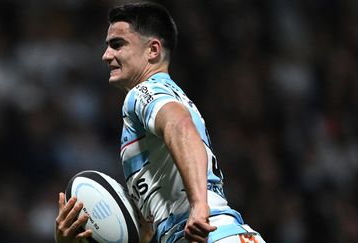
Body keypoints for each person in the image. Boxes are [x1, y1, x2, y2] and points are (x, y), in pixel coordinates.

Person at [55, 1, 265, 243]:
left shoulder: (142, 93)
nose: (106, 55)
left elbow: (180, 127)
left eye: (117, 44)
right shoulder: (172, 98)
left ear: (153, 50)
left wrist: (198, 206)